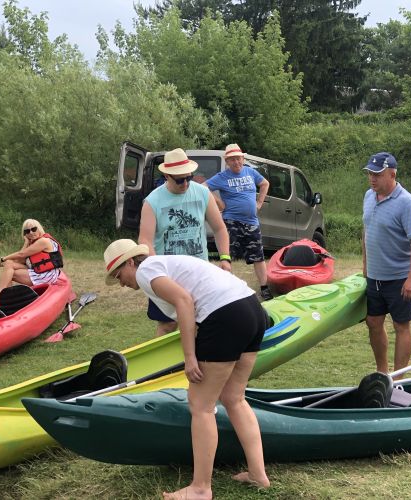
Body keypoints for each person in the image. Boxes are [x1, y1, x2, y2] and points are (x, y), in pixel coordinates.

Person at [104, 239, 270, 499]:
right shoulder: (164, 266)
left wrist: (190, 356)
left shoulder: (147, 270)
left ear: (130, 262)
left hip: (226, 315)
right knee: (233, 398)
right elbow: (173, 320)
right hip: (251, 309)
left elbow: (184, 301)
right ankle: (258, 475)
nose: (121, 283)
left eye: (118, 275)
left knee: (200, 405)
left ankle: (201, 488)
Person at [138, 148, 231, 336]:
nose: (185, 184)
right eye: (179, 179)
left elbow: (220, 228)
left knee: (201, 322)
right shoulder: (152, 201)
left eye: (189, 178)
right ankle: (161, 364)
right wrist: (157, 270)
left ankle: (199, 362)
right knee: (167, 325)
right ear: (166, 176)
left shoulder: (203, 194)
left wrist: (225, 258)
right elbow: (145, 240)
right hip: (168, 275)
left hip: (199, 272)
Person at [362, 152, 411, 375]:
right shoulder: (369, 196)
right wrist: (365, 266)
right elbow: (367, 231)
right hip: (375, 277)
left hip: (400, 277)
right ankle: (382, 373)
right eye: (370, 173)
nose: (372, 178)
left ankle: (399, 378)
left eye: (377, 174)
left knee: (401, 325)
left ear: (392, 174)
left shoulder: (407, 203)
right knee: (373, 322)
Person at [206, 144, 273, 300]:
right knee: (227, 256)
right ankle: (228, 291)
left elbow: (265, 184)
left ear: (243, 158)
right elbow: (203, 187)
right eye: (232, 159)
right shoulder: (222, 177)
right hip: (231, 222)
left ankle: (264, 288)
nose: (236, 162)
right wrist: (218, 203)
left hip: (251, 222)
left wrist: (259, 203)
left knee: (258, 256)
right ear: (227, 161)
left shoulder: (250, 172)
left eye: (238, 158)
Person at [0, 219, 63, 301]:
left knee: (11, 273)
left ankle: (2, 295)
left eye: (33, 229)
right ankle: (6, 296)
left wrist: (1, 259)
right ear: (25, 234)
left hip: (46, 276)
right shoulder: (33, 242)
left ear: (39, 228)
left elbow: (21, 254)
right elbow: (20, 260)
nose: (31, 233)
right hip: (39, 271)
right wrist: (26, 243)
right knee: (9, 264)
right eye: (27, 231)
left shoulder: (43, 241)